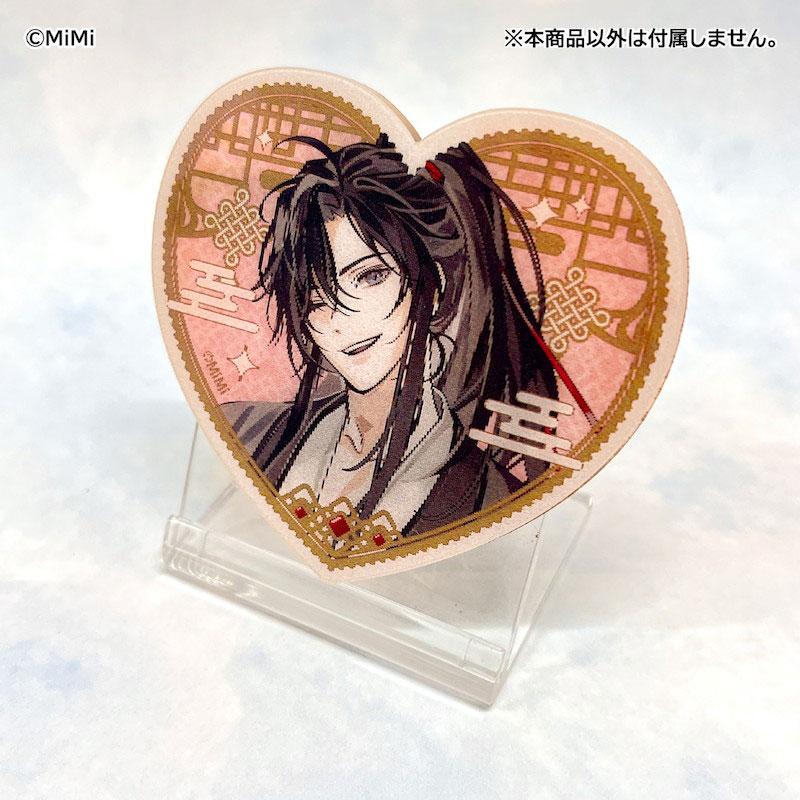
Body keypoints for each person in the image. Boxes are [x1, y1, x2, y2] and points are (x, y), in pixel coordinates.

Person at [222, 132, 580, 537]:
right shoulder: (246, 430)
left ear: (435, 286)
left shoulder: (493, 502)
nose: (343, 317)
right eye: (317, 298)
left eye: (370, 276)